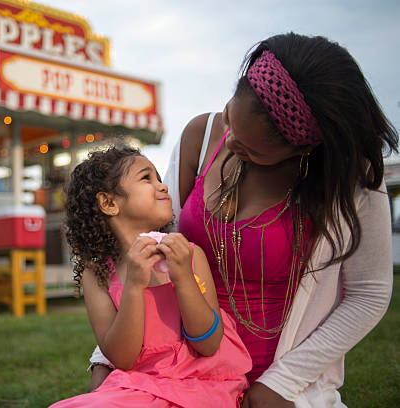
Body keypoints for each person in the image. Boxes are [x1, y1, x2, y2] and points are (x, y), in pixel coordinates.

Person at [88, 32, 398, 407]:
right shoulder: (200, 137)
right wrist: (107, 355)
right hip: (176, 377)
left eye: (250, 149)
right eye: (231, 118)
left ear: (301, 149)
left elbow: (369, 294)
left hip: (281, 381)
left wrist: (283, 383)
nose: (231, 142)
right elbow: (143, 250)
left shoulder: (349, 178)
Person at [50, 145, 252, 407]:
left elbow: (209, 343)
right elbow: (123, 358)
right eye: (146, 178)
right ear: (110, 203)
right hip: (140, 386)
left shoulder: (190, 255)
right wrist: (133, 285)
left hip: (202, 385)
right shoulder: (98, 275)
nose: (162, 186)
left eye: (159, 177)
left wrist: (183, 278)